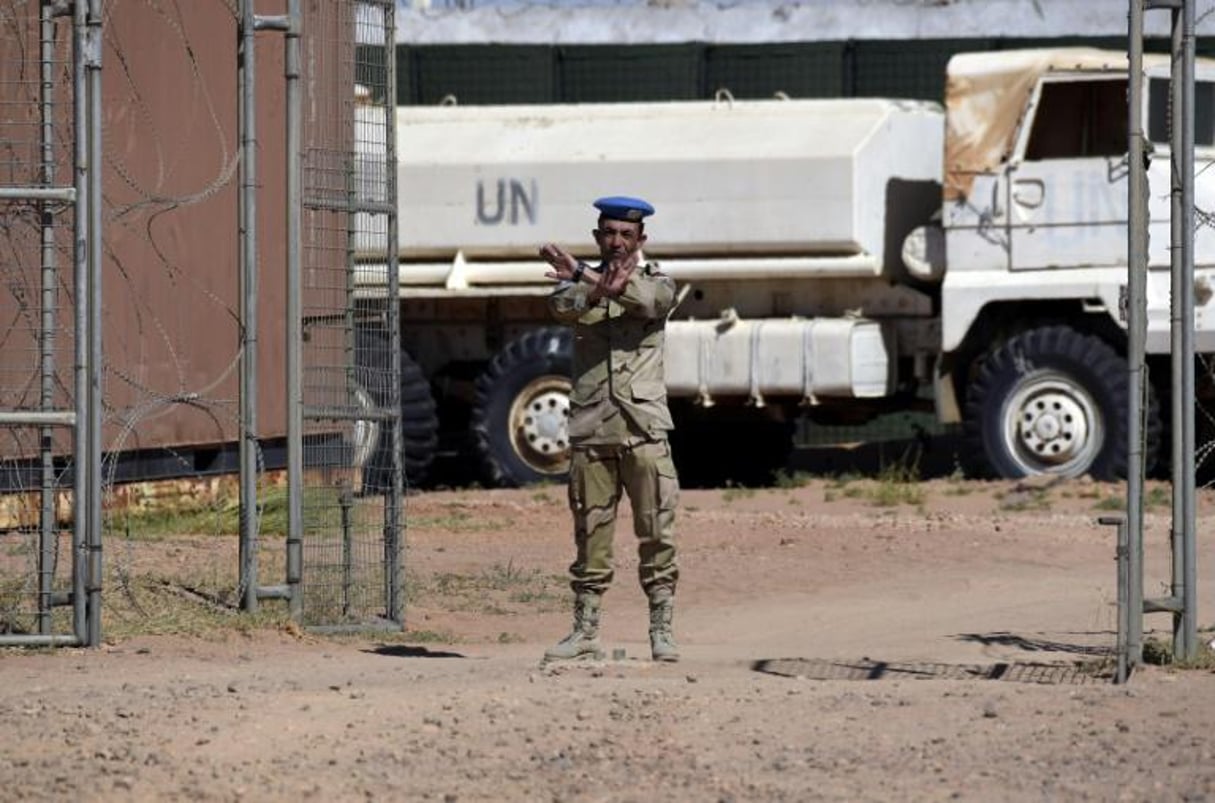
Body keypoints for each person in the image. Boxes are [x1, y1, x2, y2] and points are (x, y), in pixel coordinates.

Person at [538, 195, 682, 663]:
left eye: (626, 234)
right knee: (590, 533)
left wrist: (585, 276)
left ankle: (661, 629)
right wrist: (588, 284)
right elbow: (564, 307)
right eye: (609, 233)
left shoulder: (658, 281)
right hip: (593, 427)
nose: (617, 242)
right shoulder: (574, 286)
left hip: (642, 428)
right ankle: (585, 631)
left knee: (657, 530)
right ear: (598, 236)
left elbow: (645, 302)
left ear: (641, 239)